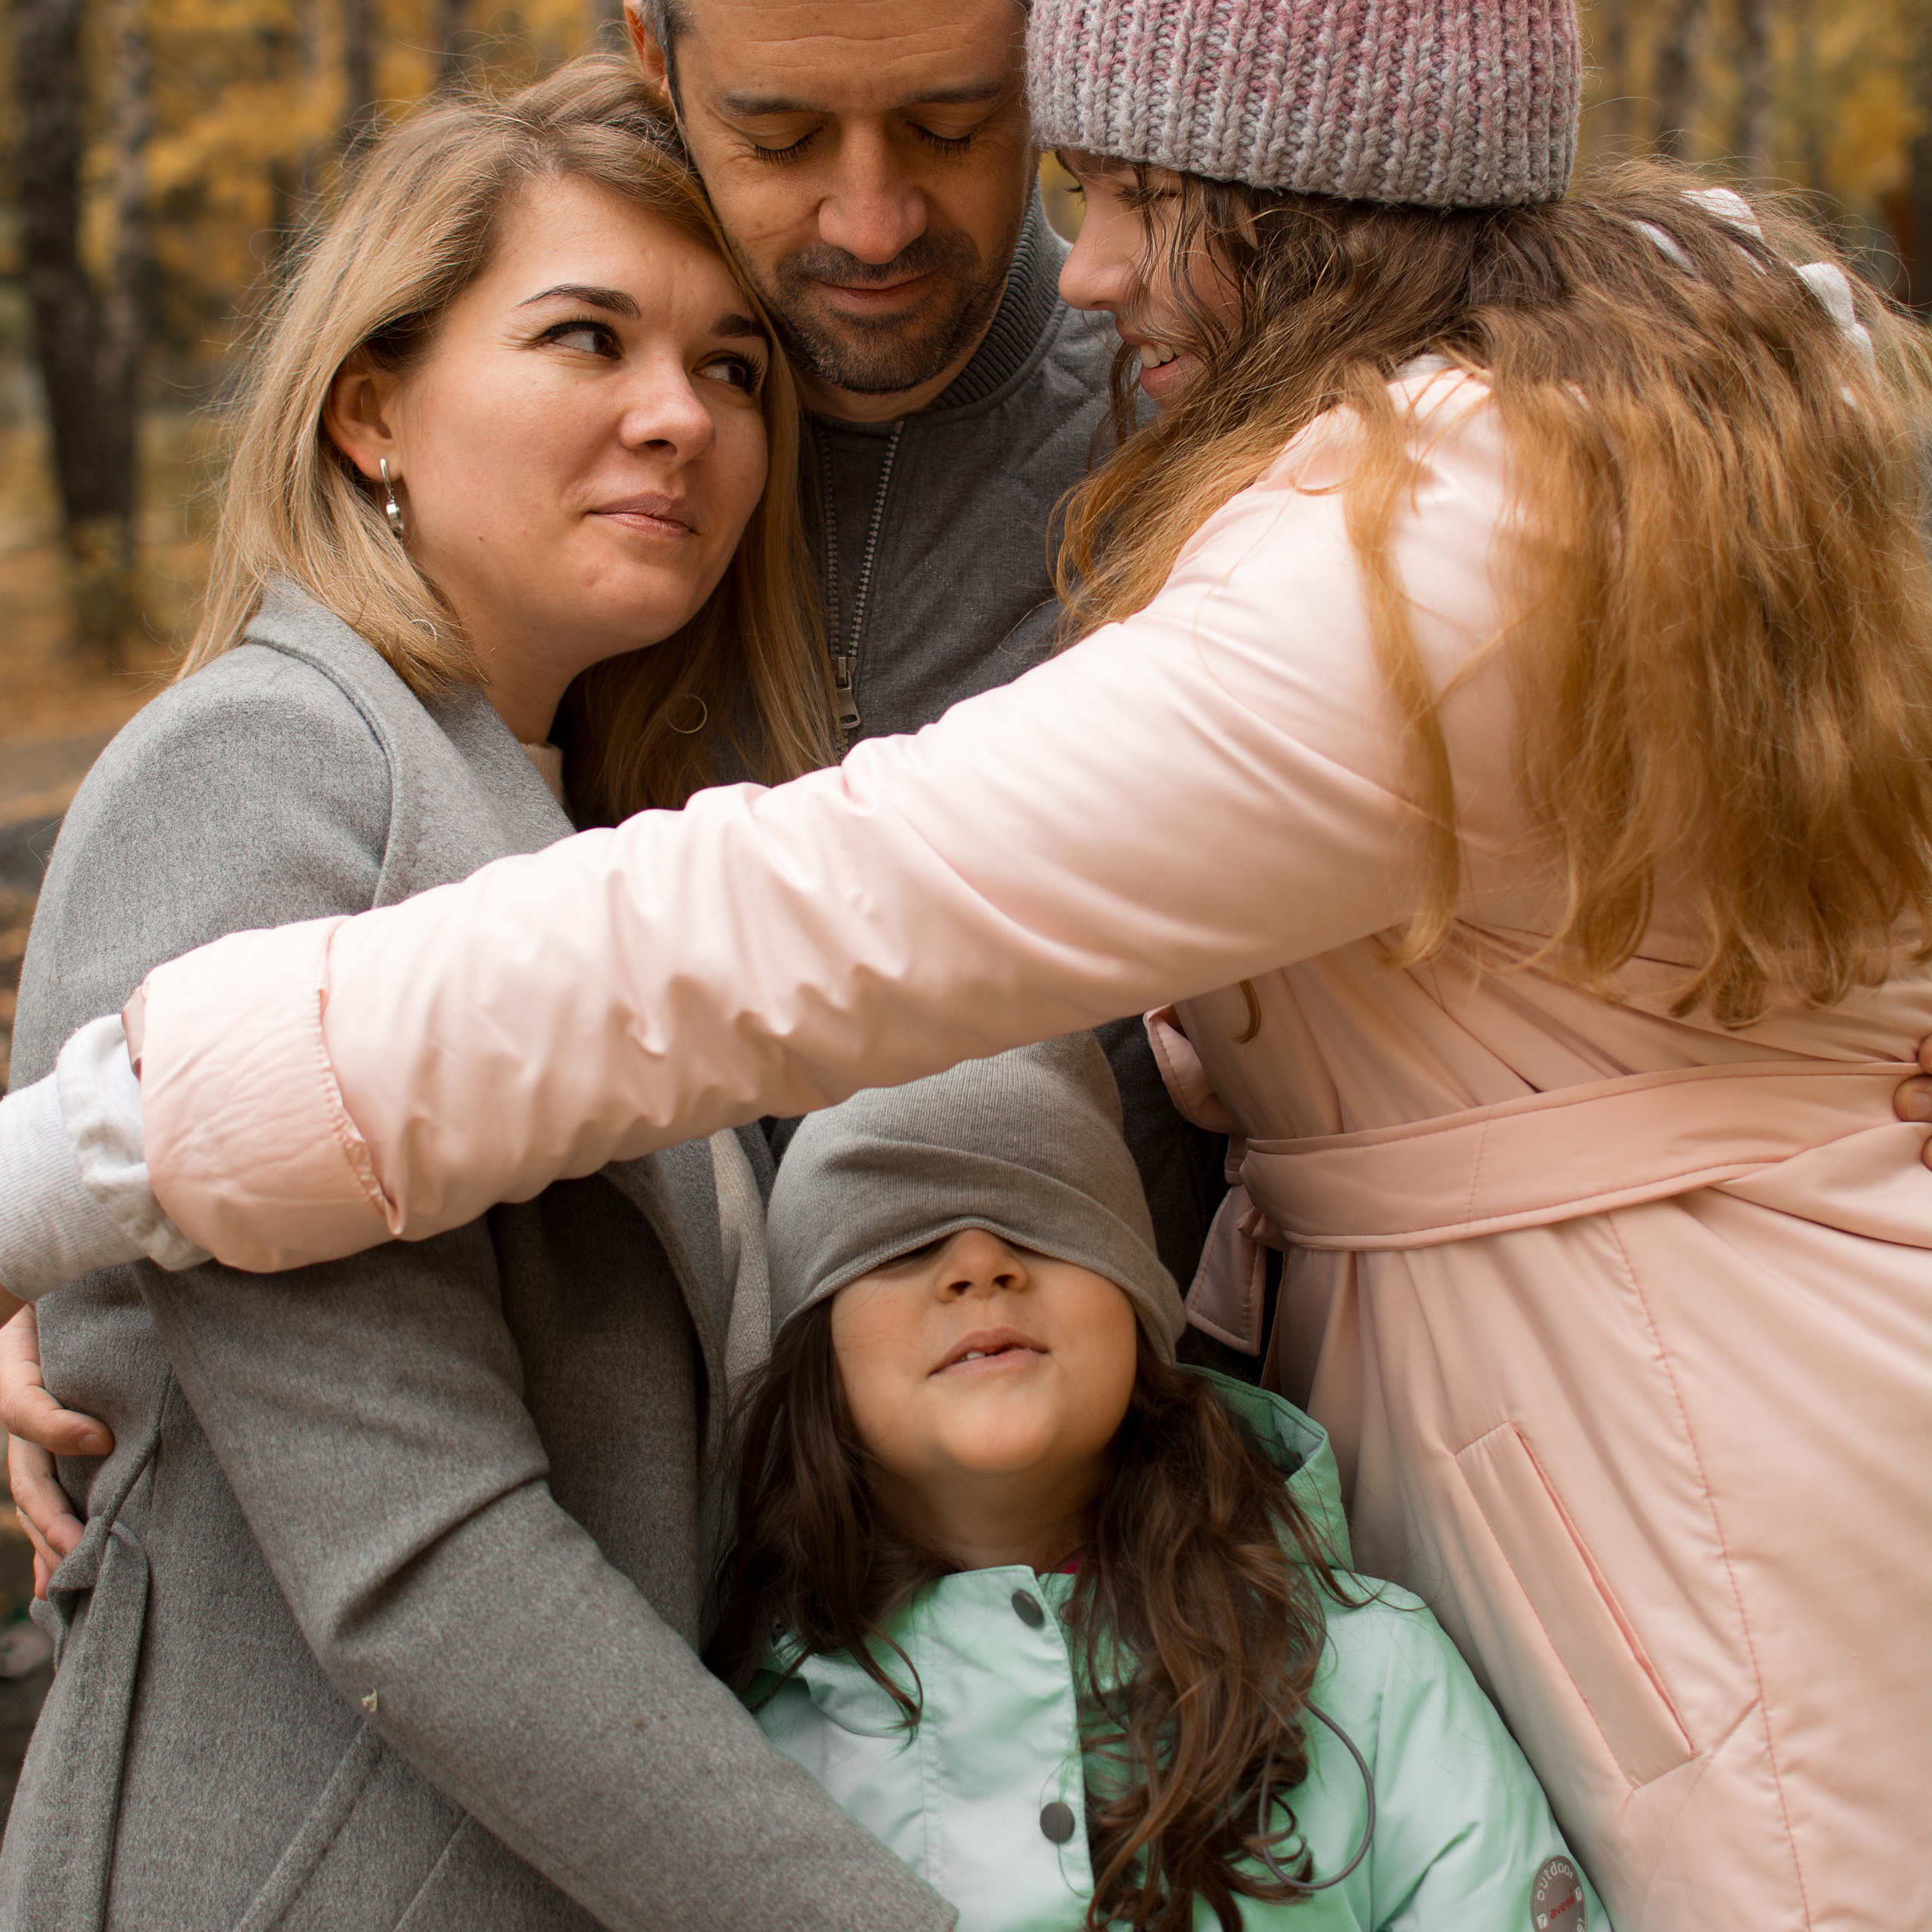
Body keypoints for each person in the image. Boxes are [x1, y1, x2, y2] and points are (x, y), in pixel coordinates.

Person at [2, 0, 1930, 1923]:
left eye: (1058, 167)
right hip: (806, 1682)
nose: (1073, 270)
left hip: (1574, 1493)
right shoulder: (429, 693)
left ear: (1308, 213)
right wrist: (105, 1245)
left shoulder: (1395, 526)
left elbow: (813, 921)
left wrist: (84, 1160)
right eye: (777, 142)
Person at [0, 61, 950, 1932]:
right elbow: (419, 1565)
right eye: (585, 338)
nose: (676, 417)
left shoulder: (563, 823)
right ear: (371, 409)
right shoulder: (268, 768)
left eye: (731, 367)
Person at [721, 1034, 1607, 1930]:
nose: (980, 1264)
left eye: (1043, 1214)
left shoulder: (1370, 1680)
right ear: (816, 1353)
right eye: (900, 1240)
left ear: (1139, 1302)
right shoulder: (735, 1755)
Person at [620, 0, 1226, 1279]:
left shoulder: (1218, 445)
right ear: (651, 54)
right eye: (779, 138)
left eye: (952, 126)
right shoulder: (560, 468)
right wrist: (110, 1271)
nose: (872, 221)